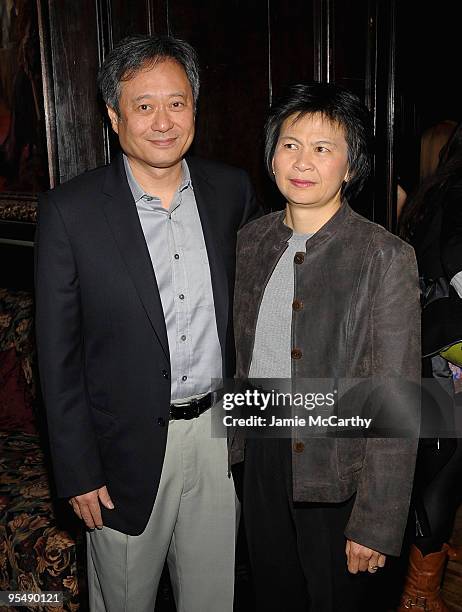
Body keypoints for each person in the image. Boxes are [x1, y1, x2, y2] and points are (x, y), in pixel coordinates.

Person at [35, 35, 259, 612]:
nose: (163, 121)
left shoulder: (231, 191)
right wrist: (78, 470)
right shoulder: (71, 212)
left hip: (218, 437)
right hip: (121, 451)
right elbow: (56, 360)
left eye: (177, 103)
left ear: (195, 109)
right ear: (114, 116)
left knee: (214, 597)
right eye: (144, 105)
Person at [229, 82, 421, 611]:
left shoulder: (384, 256)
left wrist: (377, 522)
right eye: (290, 144)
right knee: (272, 594)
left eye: (323, 148)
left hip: (341, 463)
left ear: (351, 166)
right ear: (271, 157)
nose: (303, 161)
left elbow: (397, 400)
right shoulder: (250, 242)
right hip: (262, 446)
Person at [397, 120, 462, 611]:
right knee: (444, 471)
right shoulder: (457, 193)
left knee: (438, 467)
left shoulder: (429, 193)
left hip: (429, 348)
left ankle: (426, 574)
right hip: (449, 356)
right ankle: (420, 594)